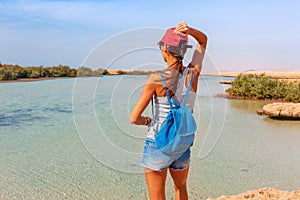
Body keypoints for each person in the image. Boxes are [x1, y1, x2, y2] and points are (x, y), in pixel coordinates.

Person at [130, 22, 207, 200]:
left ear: (165, 49)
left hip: (158, 143)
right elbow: (203, 42)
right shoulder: (192, 73)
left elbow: (134, 118)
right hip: (182, 142)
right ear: (183, 50)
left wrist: (148, 121)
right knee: (180, 188)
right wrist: (191, 31)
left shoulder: (156, 79)